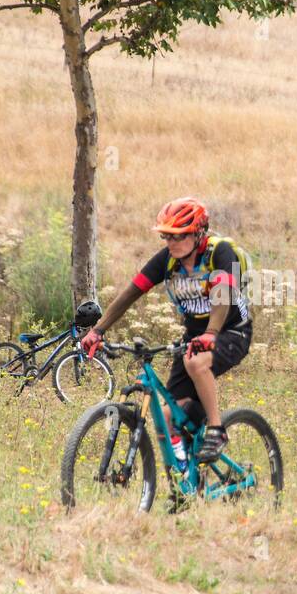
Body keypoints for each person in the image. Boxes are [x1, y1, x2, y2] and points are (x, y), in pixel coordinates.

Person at [81, 197, 251, 463]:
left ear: (197, 233)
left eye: (177, 236)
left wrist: (211, 334)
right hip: (194, 339)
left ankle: (216, 430)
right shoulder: (167, 260)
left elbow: (222, 295)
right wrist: (98, 331)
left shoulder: (220, 252)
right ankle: (185, 480)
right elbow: (130, 293)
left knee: (195, 363)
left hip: (231, 331)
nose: (170, 243)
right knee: (167, 420)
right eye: (166, 236)